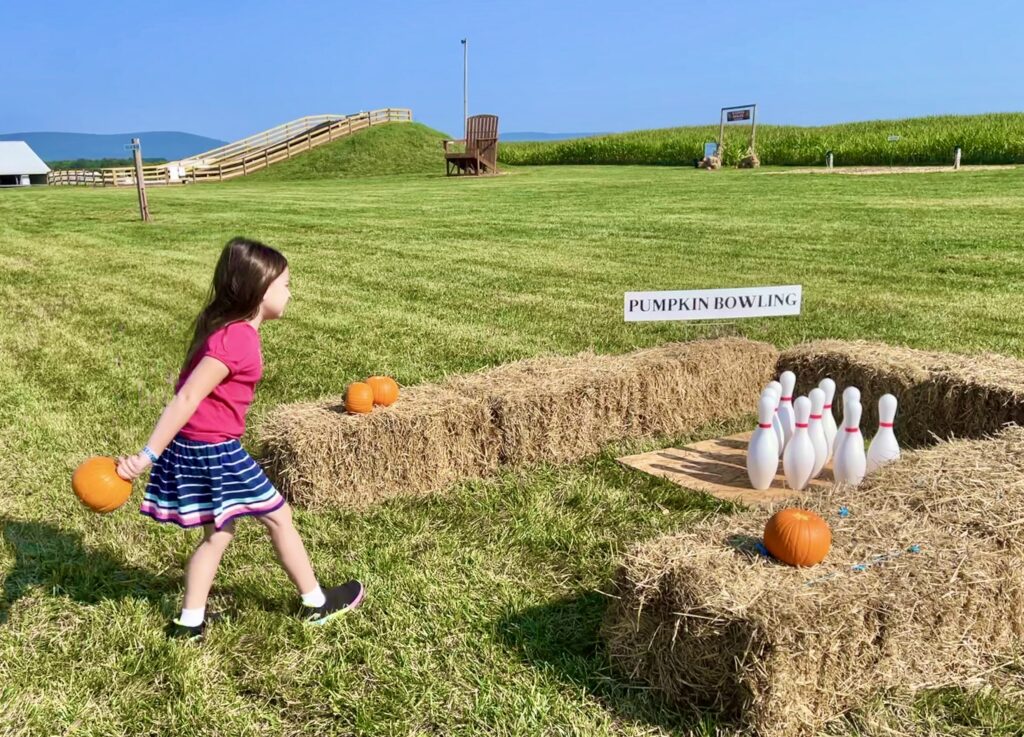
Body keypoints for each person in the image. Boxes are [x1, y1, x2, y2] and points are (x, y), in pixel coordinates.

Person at [116, 237, 363, 641]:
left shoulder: (229, 331)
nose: (290, 291)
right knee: (279, 516)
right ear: (259, 290)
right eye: (284, 284)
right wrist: (147, 455)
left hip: (200, 447)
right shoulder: (237, 339)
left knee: (218, 533)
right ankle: (316, 602)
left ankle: (189, 623)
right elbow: (187, 397)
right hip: (216, 451)